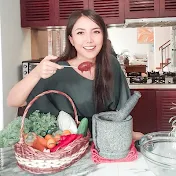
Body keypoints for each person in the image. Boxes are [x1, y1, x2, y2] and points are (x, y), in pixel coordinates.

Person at [7, 9, 143, 140]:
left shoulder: (112, 64)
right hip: (69, 146)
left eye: (95, 31)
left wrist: (130, 134)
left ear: (103, 36)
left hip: (109, 141)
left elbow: (122, 108)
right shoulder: (57, 69)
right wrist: (36, 73)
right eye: (80, 33)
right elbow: (13, 101)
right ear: (71, 40)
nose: (89, 40)